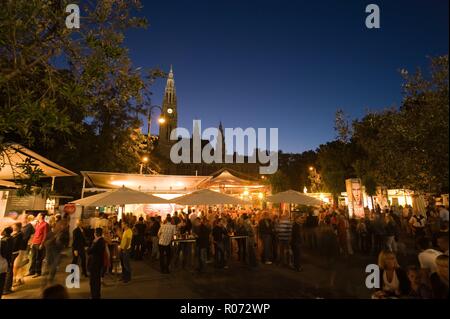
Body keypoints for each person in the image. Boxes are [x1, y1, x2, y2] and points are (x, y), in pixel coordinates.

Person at [87, 228, 105, 299]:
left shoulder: (97, 242)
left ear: (96, 233)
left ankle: (95, 296)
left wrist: (93, 243)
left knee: (94, 281)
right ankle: (96, 295)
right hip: (98, 263)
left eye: (94, 232)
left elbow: (89, 251)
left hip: (95, 263)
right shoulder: (102, 241)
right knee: (96, 280)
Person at [7, 223, 25, 291]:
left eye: (14, 226)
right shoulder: (17, 234)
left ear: (17, 227)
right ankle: (14, 281)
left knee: (11, 268)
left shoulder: (19, 234)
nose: (13, 227)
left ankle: (10, 284)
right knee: (12, 268)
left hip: (14, 252)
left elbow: (14, 244)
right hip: (14, 252)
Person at [0, 227, 14, 296]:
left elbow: (5, 254)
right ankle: (6, 289)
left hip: (3, 265)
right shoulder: (7, 239)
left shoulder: (5, 240)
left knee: (8, 274)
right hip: (4, 264)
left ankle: (6, 289)